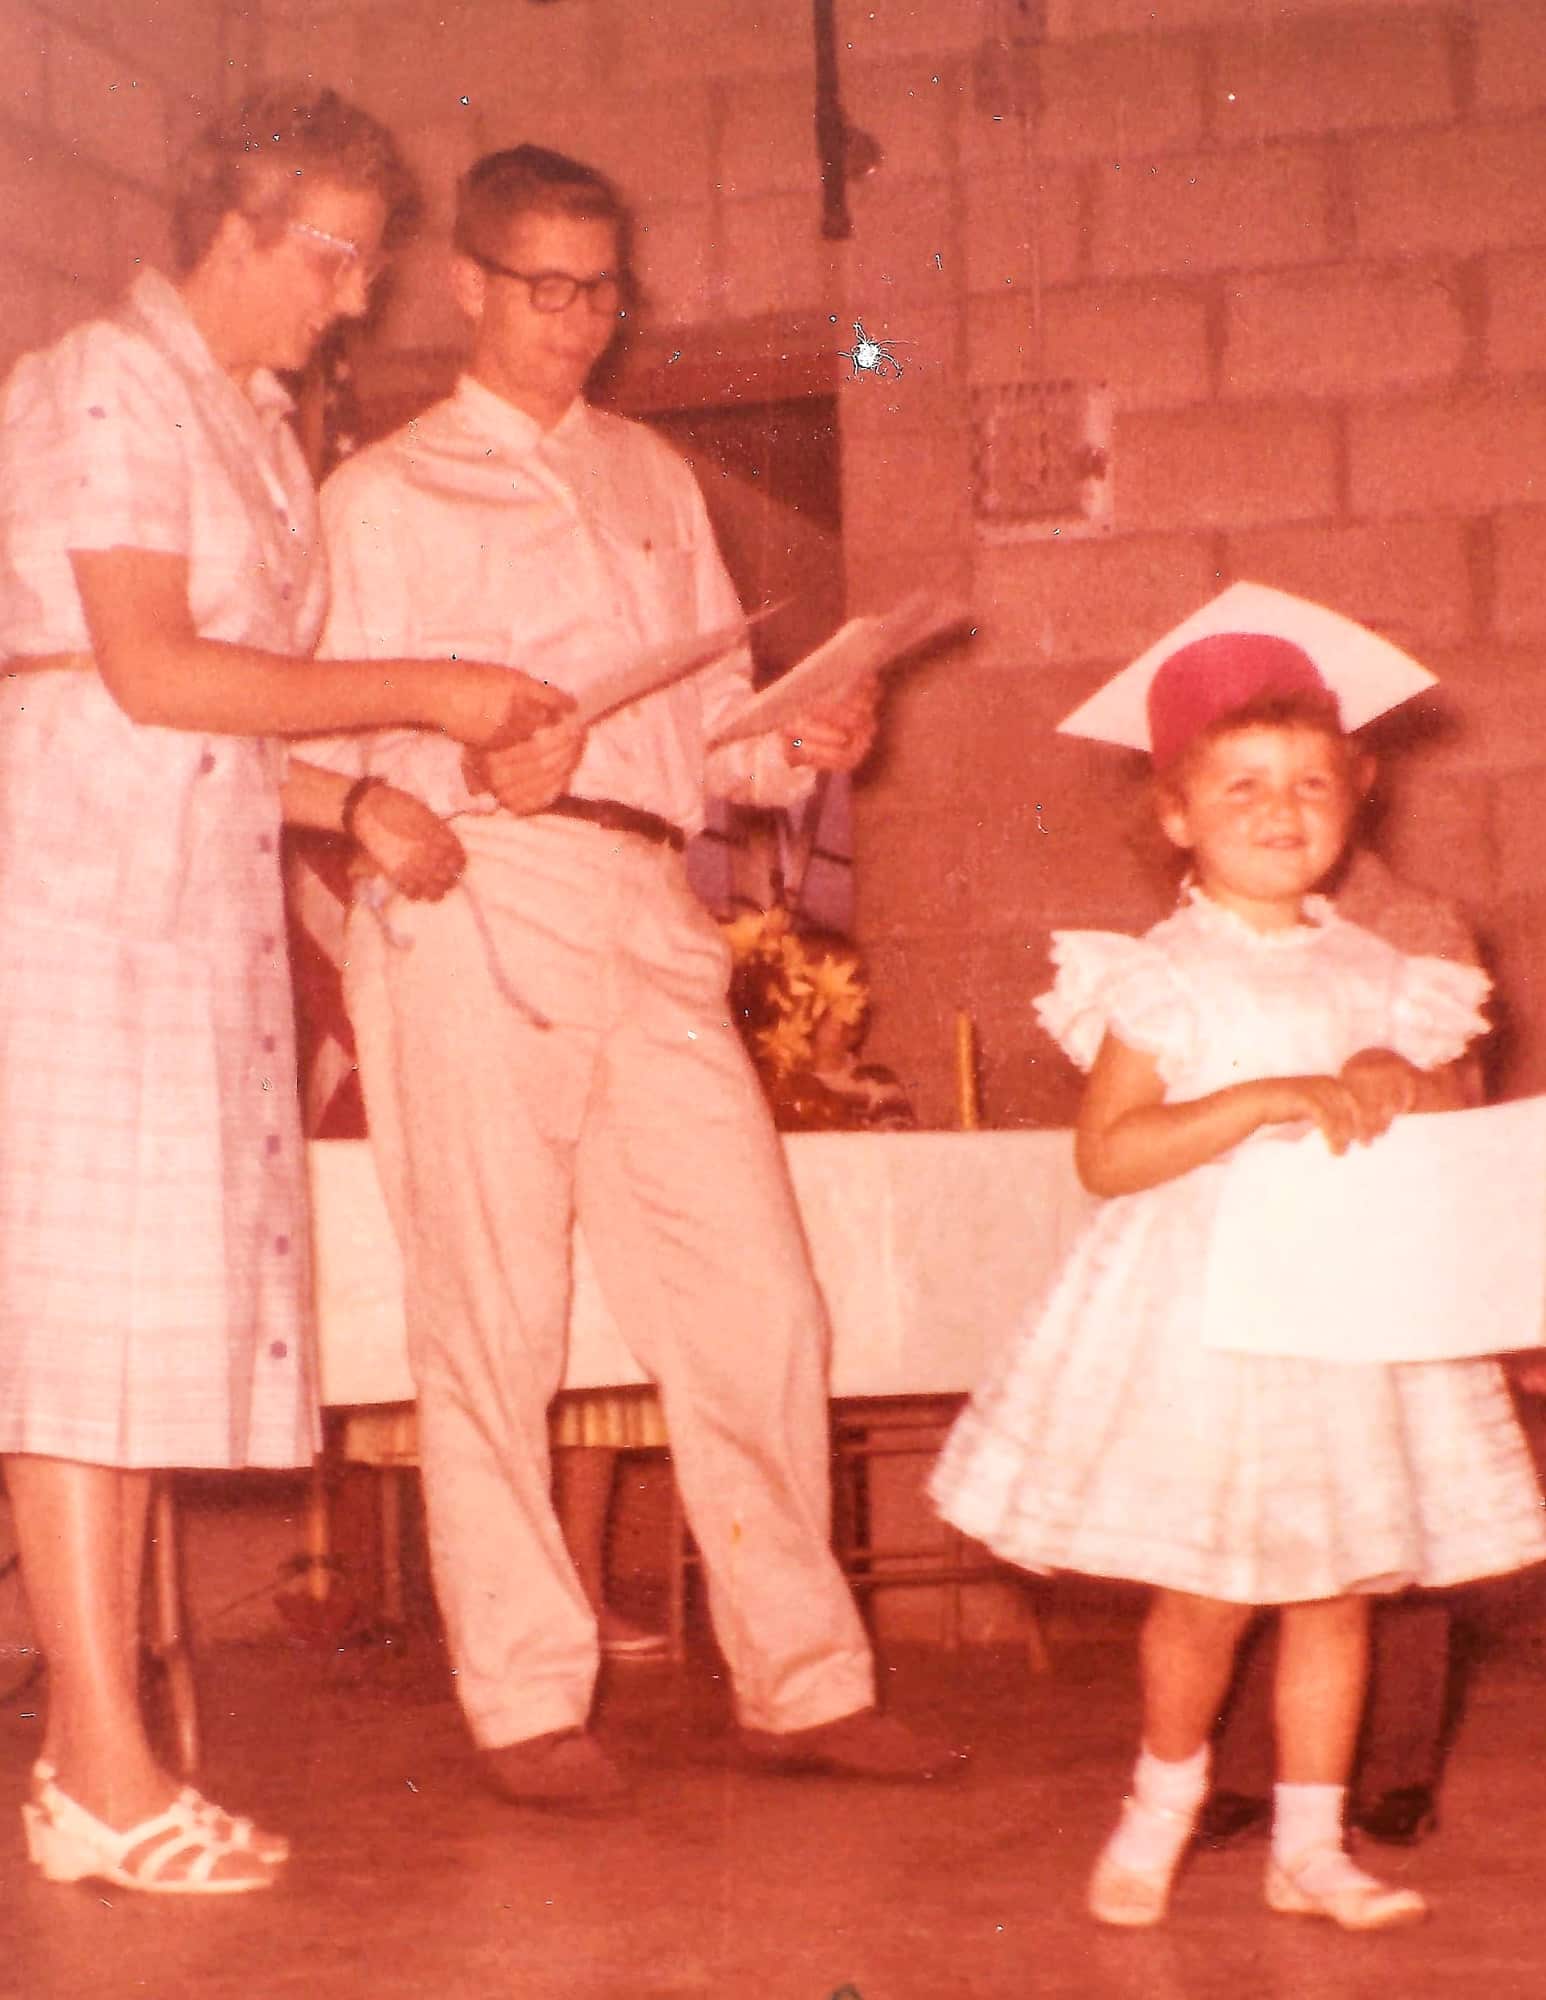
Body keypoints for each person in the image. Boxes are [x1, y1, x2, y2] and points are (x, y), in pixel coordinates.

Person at [308, 143, 954, 1808]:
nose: (582, 321)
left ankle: (800, 1684)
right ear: (467, 284)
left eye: (604, 289)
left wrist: (808, 737)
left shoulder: (654, 479)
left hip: (648, 897)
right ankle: (528, 1702)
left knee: (755, 1299)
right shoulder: (382, 496)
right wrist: (430, 790)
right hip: (474, 897)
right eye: (547, 287)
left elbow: (713, 756)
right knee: (494, 1319)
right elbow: (312, 738)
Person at [0, 88, 569, 1897]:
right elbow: (154, 674)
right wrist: (447, 688)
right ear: (232, 229)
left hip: (185, 908)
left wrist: (362, 796)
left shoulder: (244, 426)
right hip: (75, 910)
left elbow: (212, 720)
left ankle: (105, 1758)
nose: (349, 299)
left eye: (365, 262)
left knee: (141, 1341)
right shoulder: (104, 381)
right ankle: (95, 1770)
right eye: (330, 257)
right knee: (79, 1349)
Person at [930, 590, 1546, 1932]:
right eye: (1242, 786)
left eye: (1312, 785)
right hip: (1204, 1318)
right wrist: (1262, 1097)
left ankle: (1309, 1846)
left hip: (1344, 1318)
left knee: (1336, 1591)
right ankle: (1159, 1805)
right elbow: (1111, 1154)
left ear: (1355, 802)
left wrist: (1395, 1067)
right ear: (1175, 817)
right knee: (1205, 1590)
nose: (1282, 810)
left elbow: (1437, 1126)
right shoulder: (1158, 974)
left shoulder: (1389, 970)